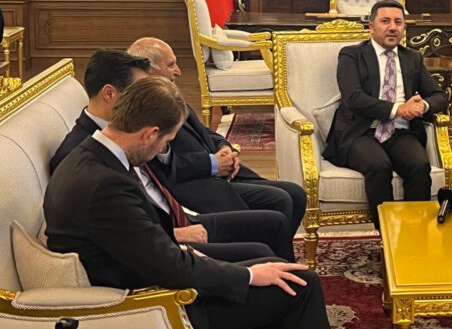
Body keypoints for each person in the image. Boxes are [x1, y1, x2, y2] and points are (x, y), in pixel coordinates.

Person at [44, 77, 329, 329]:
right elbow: (168, 267)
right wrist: (248, 275)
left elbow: (146, 246)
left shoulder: (87, 155)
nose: (161, 150)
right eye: (165, 142)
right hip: (154, 301)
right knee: (301, 285)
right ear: (150, 134)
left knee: (277, 267)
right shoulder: (106, 185)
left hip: (147, 271)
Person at [49, 49, 293, 262]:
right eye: (139, 92)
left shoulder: (130, 128)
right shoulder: (78, 153)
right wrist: (174, 234)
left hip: (177, 215)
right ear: (109, 94)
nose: (147, 98)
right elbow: (120, 235)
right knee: (262, 250)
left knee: (276, 221)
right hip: (165, 237)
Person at [127, 38, 306, 249]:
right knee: (279, 200)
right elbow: (164, 165)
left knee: (296, 194)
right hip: (194, 184)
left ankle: (277, 251)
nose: (178, 71)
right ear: (149, 70)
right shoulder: (143, 108)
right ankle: (271, 254)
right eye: (171, 65)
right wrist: (212, 163)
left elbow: (204, 131)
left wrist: (224, 147)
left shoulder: (167, 93)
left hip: (221, 173)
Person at [321, 0, 447, 229]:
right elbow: (353, 97)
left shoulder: (412, 58)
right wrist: (397, 109)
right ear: (371, 26)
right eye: (385, 21)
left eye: (398, 22)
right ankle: (387, 236)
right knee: (379, 166)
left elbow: (439, 96)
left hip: (400, 132)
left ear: (404, 28)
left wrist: (421, 106)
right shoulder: (352, 55)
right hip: (361, 132)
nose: (392, 27)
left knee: (419, 166)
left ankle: (414, 234)